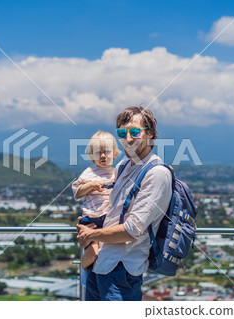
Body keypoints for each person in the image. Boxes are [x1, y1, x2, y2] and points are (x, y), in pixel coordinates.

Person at [76, 106, 173, 301]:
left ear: (151, 134)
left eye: (135, 132)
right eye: (122, 133)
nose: (128, 139)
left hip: (123, 270)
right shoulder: (122, 167)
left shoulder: (156, 173)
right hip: (101, 264)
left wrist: (91, 234)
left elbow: (133, 229)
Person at [72, 131, 119, 270]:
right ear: (92, 156)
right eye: (99, 152)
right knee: (94, 251)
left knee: (108, 252)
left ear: (115, 154)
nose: (103, 156)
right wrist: (90, 185)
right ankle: (85, 270)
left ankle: (94, 272)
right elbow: (77, 193)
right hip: (91, 220)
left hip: (108, 220)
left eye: (107, 152)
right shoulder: (89, 172)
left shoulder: (117, 173)